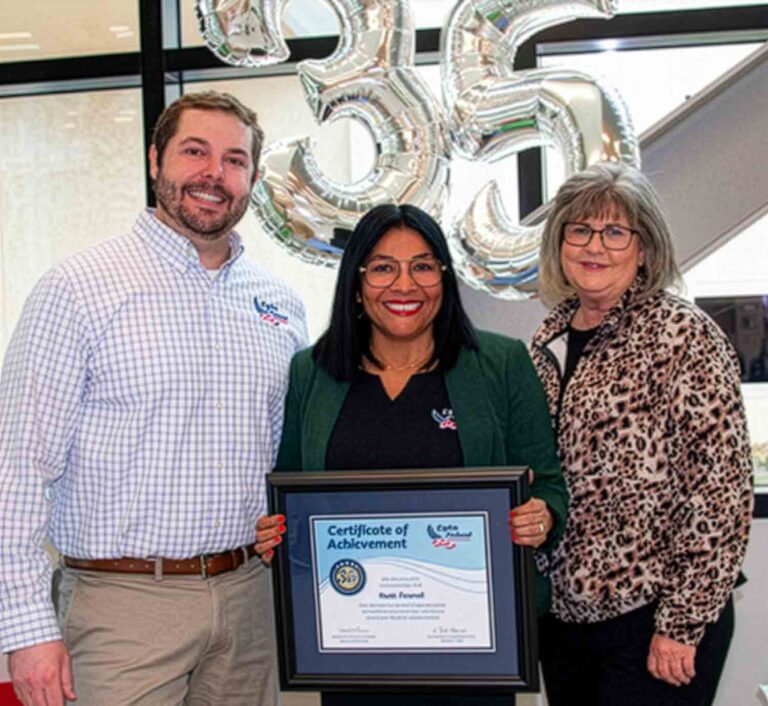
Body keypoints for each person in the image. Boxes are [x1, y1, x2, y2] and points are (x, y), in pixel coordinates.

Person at [0, 91, 307, 706]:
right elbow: (18, 470)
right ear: (155, 160)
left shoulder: (280, 304)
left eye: (235, 160)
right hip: (122, 610)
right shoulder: (78, 289)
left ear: (251, 176)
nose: (214, 175)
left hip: (250, 601)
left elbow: (285, 463)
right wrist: (27, 629)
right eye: (195, 152)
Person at [255, 203, 568, 706]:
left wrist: (542, 515)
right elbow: (291, 494)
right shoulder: (311, 372)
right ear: (356, 284)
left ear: (443, 279)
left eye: (422, 266)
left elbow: (549, 485)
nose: (405, 285)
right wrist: (278, 531)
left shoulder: (502, 363)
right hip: (353, 645)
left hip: (471, 649)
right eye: (382, 267)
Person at [529, 161, 753, 706]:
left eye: (614, 232)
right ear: (559, 244)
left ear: (645, 248)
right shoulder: (546, 340)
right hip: (565, 620)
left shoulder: (682, 335)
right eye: (578, 230)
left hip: (653, 616)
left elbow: (721, 490)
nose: (594, 246)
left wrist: (682, 621)